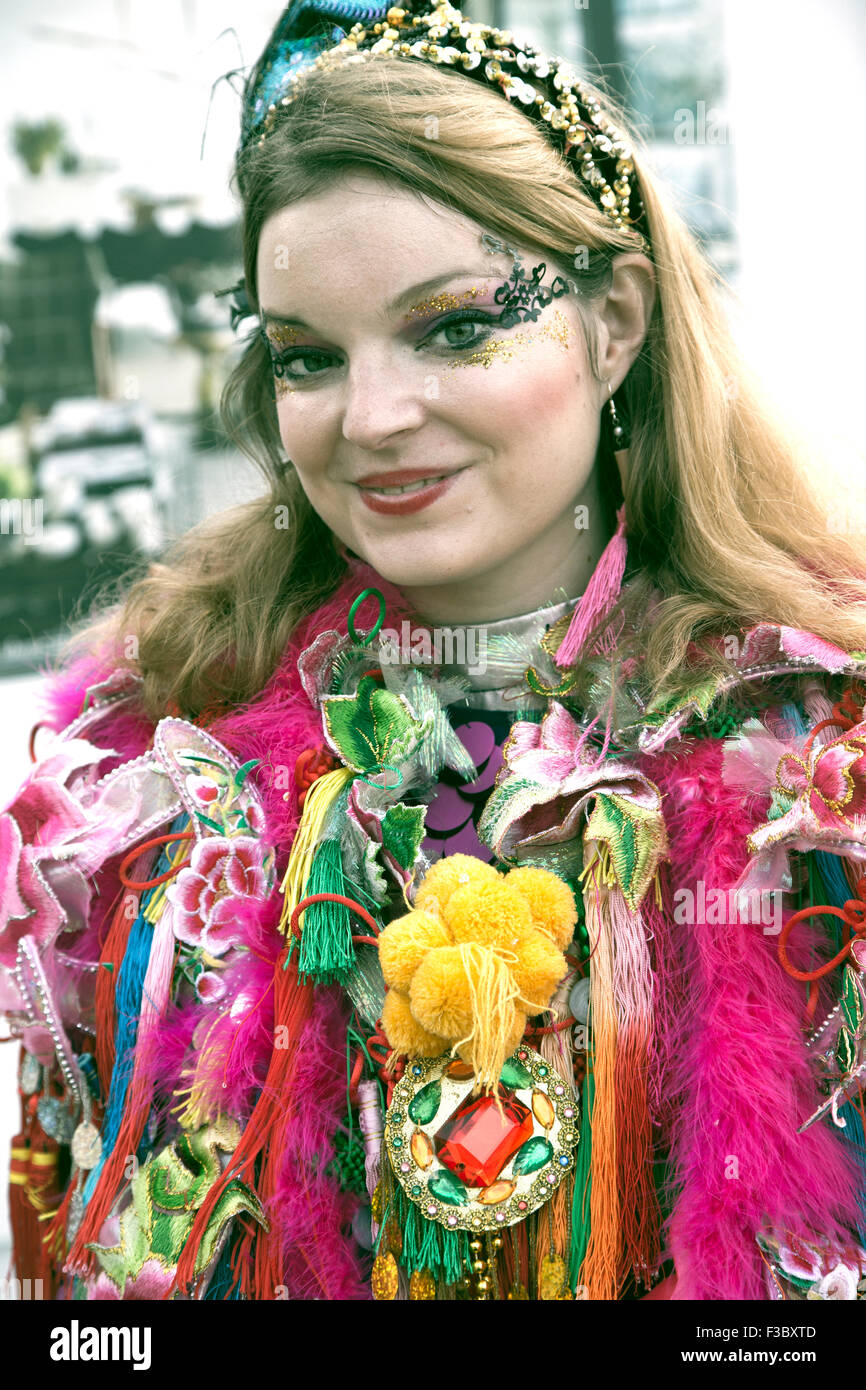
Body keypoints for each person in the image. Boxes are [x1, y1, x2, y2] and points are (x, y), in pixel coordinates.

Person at [4, 0, 866, 1303]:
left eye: (455, 326)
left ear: (614, 320)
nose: (375, 417)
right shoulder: (140, 779)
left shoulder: (815, 771)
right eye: (306, 356)